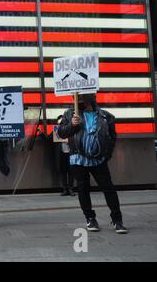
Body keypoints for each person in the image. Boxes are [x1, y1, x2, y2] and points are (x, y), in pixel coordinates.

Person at [58, 93, 128, 234]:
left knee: (108, 188)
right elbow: (61, 133)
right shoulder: (70, 114)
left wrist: (107, 155)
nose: (77, 101)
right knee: (83, 188)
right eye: (76, 98)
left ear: (90, 98)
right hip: (78, 159)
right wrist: (72, 124)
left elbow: (112, 137)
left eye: (81, 98)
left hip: (98, 159)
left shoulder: (105, 116)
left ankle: (117, 220)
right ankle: (90, 218)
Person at [54, 115, 75, 196]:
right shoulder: (55, 131)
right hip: (61, 154)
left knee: (71, 172)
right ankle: (65, 189)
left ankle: (70, 189)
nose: (61, 124)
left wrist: (69, 141)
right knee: (63, 172)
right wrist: (40, 133)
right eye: (59, 123)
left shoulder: (71, 130)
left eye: (62, 122)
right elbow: (48, 139)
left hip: (70, 154)